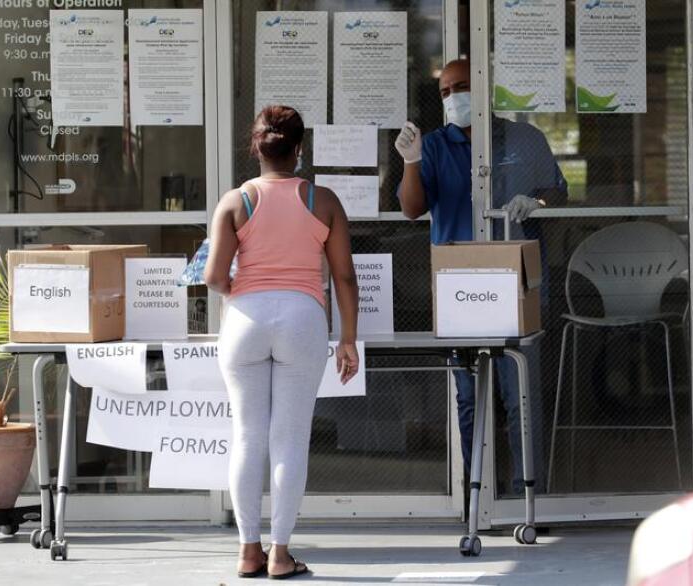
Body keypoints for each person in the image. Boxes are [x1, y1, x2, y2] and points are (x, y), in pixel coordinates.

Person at [396, 59, 568, 496]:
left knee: (520, 398)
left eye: (463, 86)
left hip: (516, 284)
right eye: (446, 90)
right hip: (461, 286)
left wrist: (537, 202)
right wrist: (411, 162)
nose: (455, 96)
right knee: (470, 399)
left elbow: (557, 190)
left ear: (485, 90)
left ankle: (527, 494)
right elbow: (412, 208)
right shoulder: (435, 145)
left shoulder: (524, 138)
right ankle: (477, 496)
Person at [205, 105, 359, 580]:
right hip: (302, 317)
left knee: (247, 438)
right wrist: (348, 339)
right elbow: (345, 277)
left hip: (245, 319)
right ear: (299, 149)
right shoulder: (324, 200)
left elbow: (213, 276)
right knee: (289, 439)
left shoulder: (234, 201)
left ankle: (247, 551)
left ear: (256, 147)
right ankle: (280, 554)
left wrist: (248, 294)